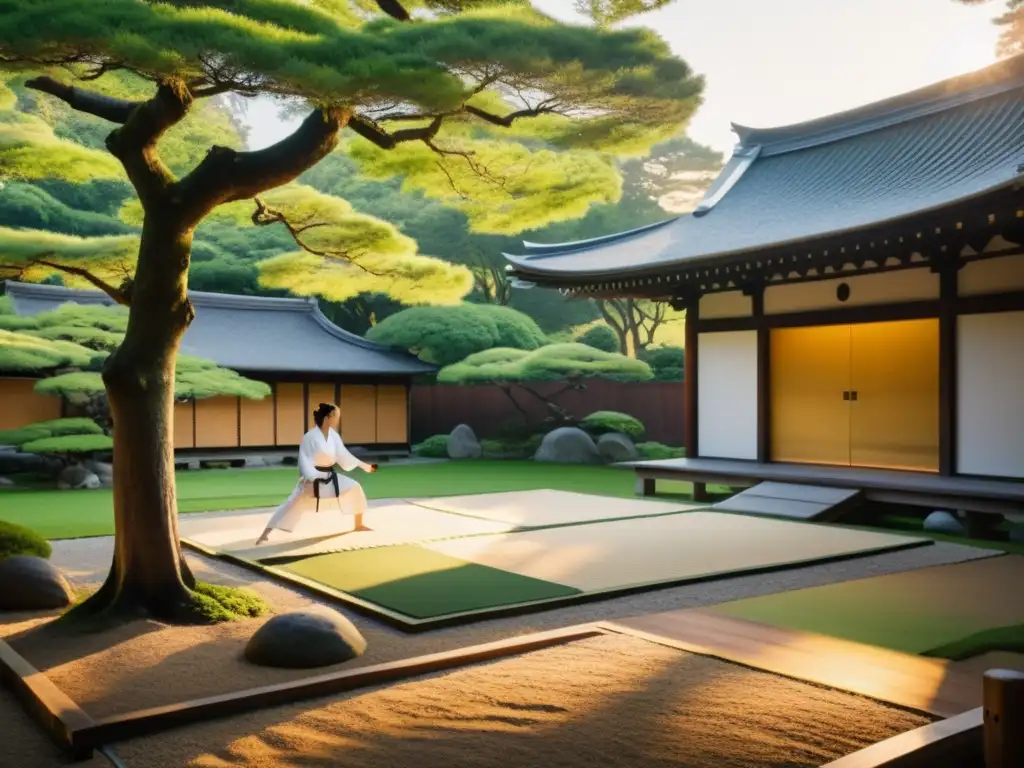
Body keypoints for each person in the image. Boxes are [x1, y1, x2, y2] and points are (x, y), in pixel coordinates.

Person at [256, 402, 377, 545]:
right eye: (336, 415)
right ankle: (265, 533)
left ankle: (358, 524)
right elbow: (304, 460)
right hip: (312, 479)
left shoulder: (333, 436)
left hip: (330, 477)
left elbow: (344, 455)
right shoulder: (310, 437)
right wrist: (310, 477)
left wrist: (365, 466)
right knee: (292, 504)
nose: (338, 418)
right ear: (329, 417)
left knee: (355, 487)